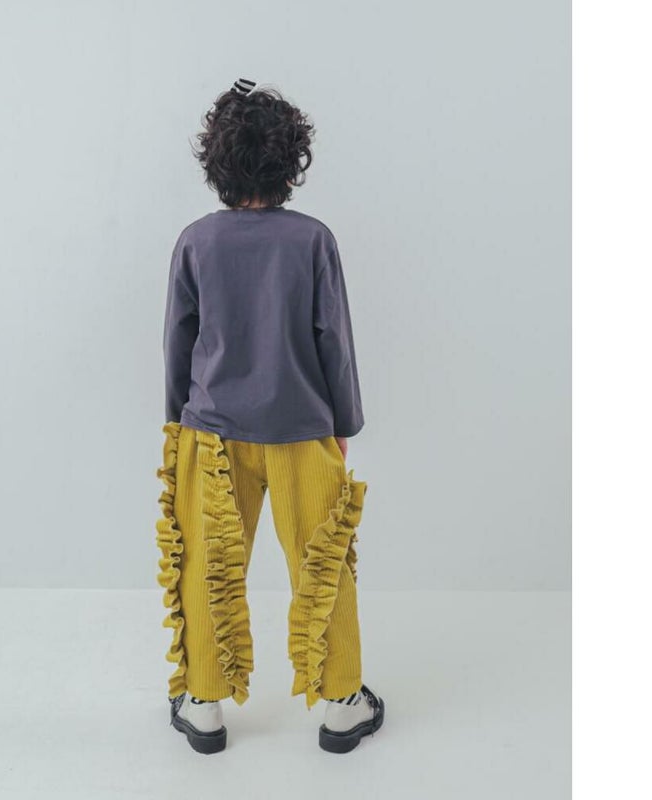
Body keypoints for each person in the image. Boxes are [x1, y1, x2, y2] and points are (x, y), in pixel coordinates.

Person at [154, 77, 385, 754]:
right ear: (291, 160)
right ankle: (341, 704)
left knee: (207, 565)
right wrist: (343, 424)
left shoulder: (196, 241)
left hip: (212, 434)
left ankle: (203, 704)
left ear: (216, 162)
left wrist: (178, 425)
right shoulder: (313, 240)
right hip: (302, 431)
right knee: (323, 563)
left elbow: (178, 342)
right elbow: (334, 339)